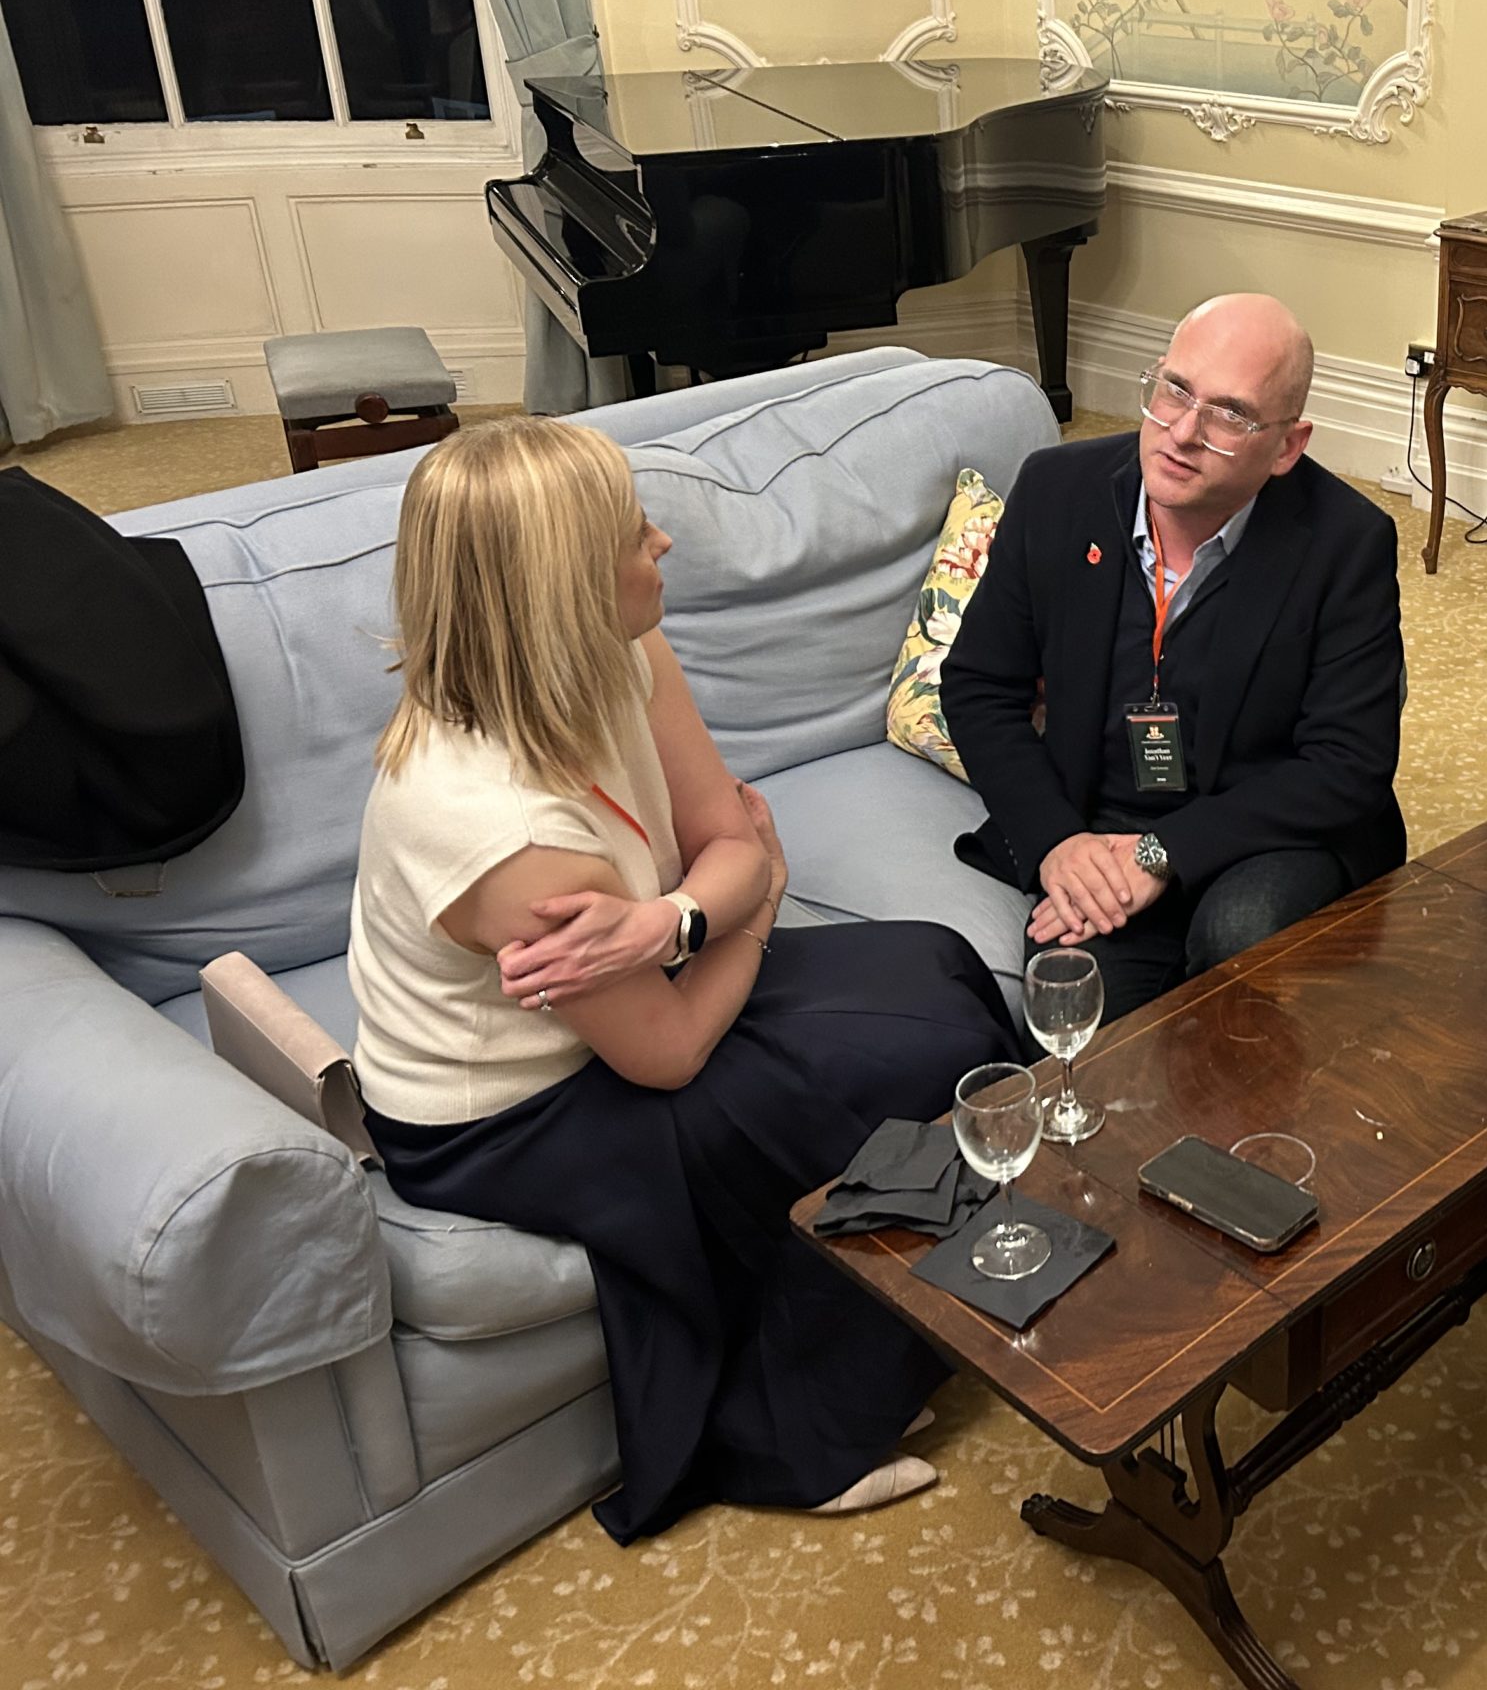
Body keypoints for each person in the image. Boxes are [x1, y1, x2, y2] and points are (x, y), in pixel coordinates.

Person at [349, 418, 1017, 1543]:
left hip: (649, 991)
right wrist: (749, 912)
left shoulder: (622, 646)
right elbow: (666, 1052)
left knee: (937, 968)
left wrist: (681, 916)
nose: (661, 543)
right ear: (561, 589)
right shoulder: (495, 831)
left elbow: (727, 835)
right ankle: (795, 1443)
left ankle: (937, 1288)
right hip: (515, 1111)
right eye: (632, 534)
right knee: (875, 1079)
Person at [942, 293, 1405, 1024]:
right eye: (1175, 391)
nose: (1183, 432)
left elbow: (1349, 762)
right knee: (1076, 1012)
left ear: (1288, 446)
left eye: (1230, 416)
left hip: (1260, 832)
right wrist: (1057, 843)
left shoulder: (1347, 543)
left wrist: (1161, 855)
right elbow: (978, 686)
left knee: (1240, 938)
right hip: (1097, 825)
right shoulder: (1056, 493)